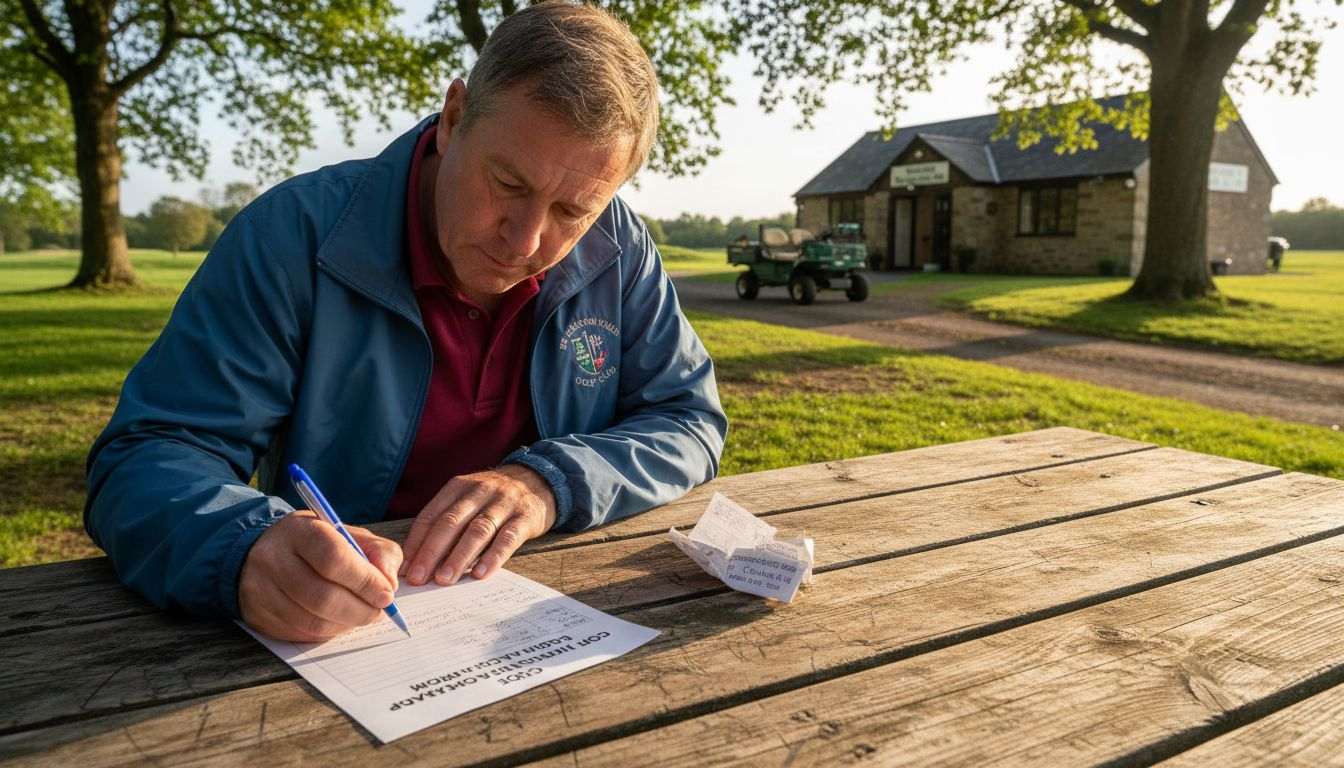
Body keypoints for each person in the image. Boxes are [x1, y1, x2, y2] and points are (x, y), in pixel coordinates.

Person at [84, 2, 727, 643]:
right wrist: (243, 546)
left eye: (572, 211)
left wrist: (548, 482)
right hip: (343, 637)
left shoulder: (618, 247)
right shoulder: (289, 238)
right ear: (453, 118)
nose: (525, 241)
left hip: (544, 622)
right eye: (508, 183)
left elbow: (687, 419)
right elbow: (147, 456)